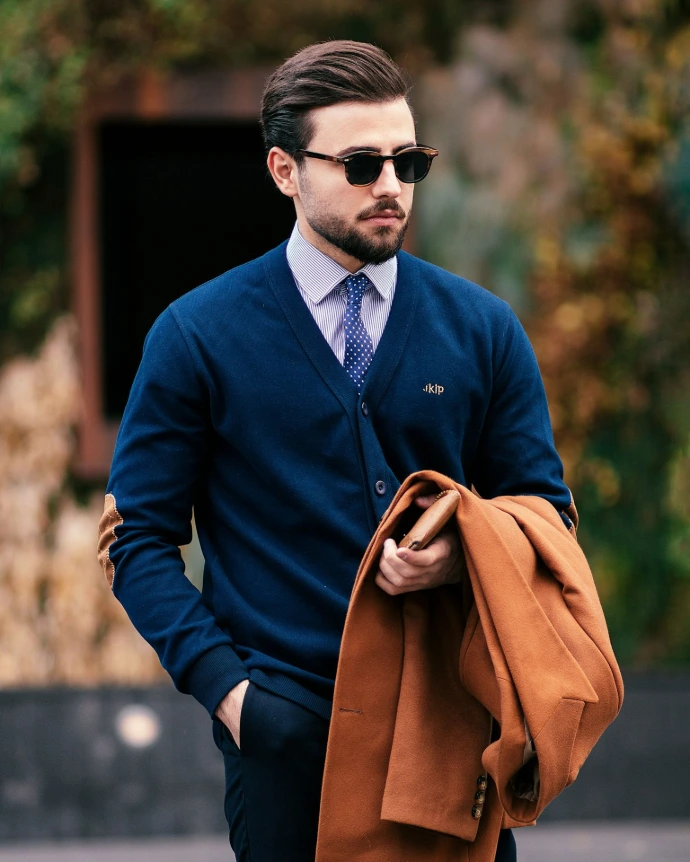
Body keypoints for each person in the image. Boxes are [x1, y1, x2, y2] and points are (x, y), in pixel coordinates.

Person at [98, 40, 575, 862]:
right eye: (360, 164)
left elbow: (549, 517)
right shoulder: (196, 336)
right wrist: (236, 697)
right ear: (285, 170)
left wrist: (463, 554)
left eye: (407, 160)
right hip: (287, 743)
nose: (391, 186)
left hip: (452, 734)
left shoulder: (483, 329)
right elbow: (136, 540)